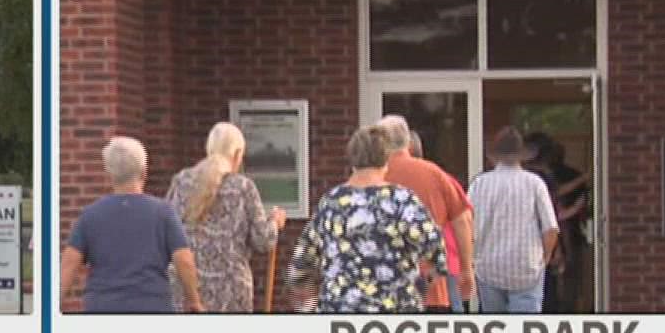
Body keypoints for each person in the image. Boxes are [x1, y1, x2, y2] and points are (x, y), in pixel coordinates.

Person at [285, 124, 448, 313]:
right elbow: (436, 253)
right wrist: (422, 284)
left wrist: (307, 299)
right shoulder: (402, 200)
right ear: (385, 159)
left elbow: (302, 262)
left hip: (340, 310)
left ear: (352, 159)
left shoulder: (331, 202)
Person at [62, 137, 203, 313]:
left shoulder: (90, 215)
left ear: (110, 175)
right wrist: (194, 300)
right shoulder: (163, 213)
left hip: (102, 306)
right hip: (152, 305)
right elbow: (184, 260)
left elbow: (69, 263)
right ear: (144, 172)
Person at [165, 122, 286, 312]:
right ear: (238, 154)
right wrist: (275, 222)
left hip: (187, 290)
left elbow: (167, 233)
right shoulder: (243, 188)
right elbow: (263, 241)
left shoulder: (181, 182)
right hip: (232, 292)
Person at [377, 116, 475, 312]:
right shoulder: (434, 174)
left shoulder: (371, 176)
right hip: (430, 287)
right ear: (408, 142)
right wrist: (466, 269)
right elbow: (462, 220)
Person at [467, 127, 560, 314]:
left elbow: (466, 223)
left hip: (488, 267)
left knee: (495, 330)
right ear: (521, 155)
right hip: (526, 268)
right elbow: (550, 229)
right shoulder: (534, 183)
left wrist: (470, 258)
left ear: (495, 155)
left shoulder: (479, 184)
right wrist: (544, 259)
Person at [524, 132, 591, 313]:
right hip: (540, 246)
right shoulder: (538, 179)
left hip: (525, 247)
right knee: (547, 294)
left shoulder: (523, 177)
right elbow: (551, 214)